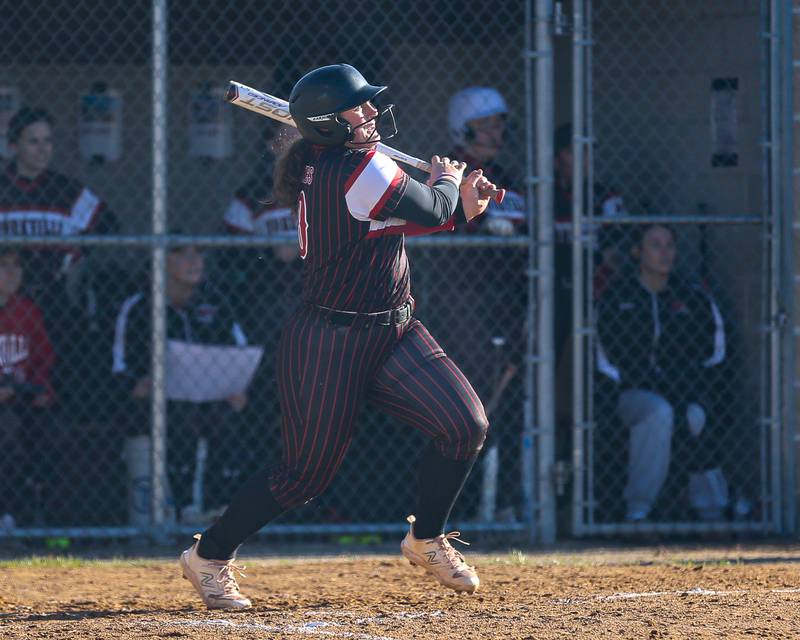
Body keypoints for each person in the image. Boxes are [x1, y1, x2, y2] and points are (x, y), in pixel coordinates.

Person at [179, 63, 497, 609]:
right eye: (359, 107)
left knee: (464, 425)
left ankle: (427, 538)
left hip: (394, 330)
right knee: (303, 477)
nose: (372, 112)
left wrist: (459, 203)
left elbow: (419, 218)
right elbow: (433, 206)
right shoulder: (359, 171)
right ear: (329, 123)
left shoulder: (344, 165)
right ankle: (208, 556)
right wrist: (448, 179)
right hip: (330, 342)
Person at [595, 223, 729, 523]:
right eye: (655, 245)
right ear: (638, 252)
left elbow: (715, 355)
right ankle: (638, 512)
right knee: (659, 412)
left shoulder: (691, 297)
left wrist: (695, 391)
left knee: (695, 415)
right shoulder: (618, 297)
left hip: (683, 392)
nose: (664, 252)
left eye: (669, 244)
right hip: (631, 394)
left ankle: (711, 511)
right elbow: (605, 363)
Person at [111, 243, 251, 521]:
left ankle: (218, 506)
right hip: (156, 400)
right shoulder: (139, 306)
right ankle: (182, 507)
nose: (194, 260)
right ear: (162, 261)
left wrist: (239, 387)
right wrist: (137, 385)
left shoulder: (216, 302)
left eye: (198, 253)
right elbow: (119, 366)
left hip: (209, 398)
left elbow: (240, 351)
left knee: (225, 418)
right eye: (183, 254)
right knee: (183, 418)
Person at [0, 106, 120, 418]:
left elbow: (108, 224)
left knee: (59, 374)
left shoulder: (65, 191)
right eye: (33, 141)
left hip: (51, 292)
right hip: (6, 300)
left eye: (47, 141)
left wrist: (77, 252)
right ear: (13, 146)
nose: (42, 150)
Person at [0, 247, 57, 527]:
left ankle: (35, 517)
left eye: (16, 266)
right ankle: (6, 513)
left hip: (22, 398)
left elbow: (43, 358)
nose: (12, 273)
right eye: (4, 266)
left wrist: (43, 388)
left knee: (48, 431)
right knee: (7, 430)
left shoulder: (27, 310)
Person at [447, 86, 526, 235]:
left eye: (498, 124)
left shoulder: (503, 176)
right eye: (484, 124)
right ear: (463, 130)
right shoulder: (449, 173)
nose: (495, 133)